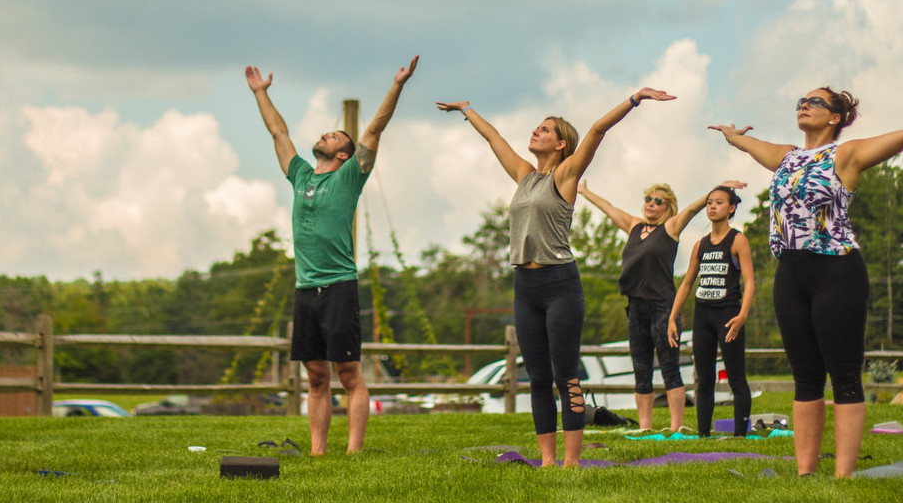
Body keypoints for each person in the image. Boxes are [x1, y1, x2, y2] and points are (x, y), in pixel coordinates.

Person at [436, 88, 675, 467]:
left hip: (560, 285)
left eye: (544, 129)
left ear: (561, 144)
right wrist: (468, 110)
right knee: (537, 377)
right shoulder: (525, 175)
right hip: (525, 286)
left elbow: (596, 130)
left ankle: (570, 461)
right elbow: (494, 137)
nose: (535, 131)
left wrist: (635, 99)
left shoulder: (565, 175)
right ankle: (548, 460)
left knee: (567, 377)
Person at [710, 87, 903, 478]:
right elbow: (753, 146)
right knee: (806, 376)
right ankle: (805, 473)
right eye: (801, 100)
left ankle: (843, 476)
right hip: (790, 276)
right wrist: (734, 137)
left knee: (844, 373)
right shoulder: (786, 157)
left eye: (815, 102)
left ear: (835, 117)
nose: (804, 105)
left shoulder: (846, 154)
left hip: (837, 273)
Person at [245, 56, 417, 455]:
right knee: (316, 377)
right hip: (305, 288)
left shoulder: (350, 175)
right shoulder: (302, 175)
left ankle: (353, 453)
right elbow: (278, 132)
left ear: (344, 154)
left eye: (334, 136)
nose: (325, 135)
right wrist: (260, 94)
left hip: (338, 286)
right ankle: (319, 453)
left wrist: (398, 85)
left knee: (349, 374)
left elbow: (375, 128)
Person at [577, 177, 746, 431]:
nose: (651, 204)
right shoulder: (634, 226)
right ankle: (645, 427)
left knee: (669, 368)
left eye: (658, 201)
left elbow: (691, 209)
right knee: (641, 369)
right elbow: (608, 208)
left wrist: (713, 191)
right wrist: (583, 191)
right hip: (635, 307)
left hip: (663, 307)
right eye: (648, 199)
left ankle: (676, 427)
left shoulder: (670, 228)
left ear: (668, 207)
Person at [666, 185, 754, 438]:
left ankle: (740, 435)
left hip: (728, 316)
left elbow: (749, 281)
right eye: (709, 203)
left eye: (718, 203)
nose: (712, 207)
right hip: (703, 315)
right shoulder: (700, 245)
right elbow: (686, 283)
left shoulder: (738, 240)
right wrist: (673, 317)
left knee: (736, 377)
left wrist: (742, 315)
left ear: (732, 208)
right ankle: (703, 434)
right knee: (704, 379)